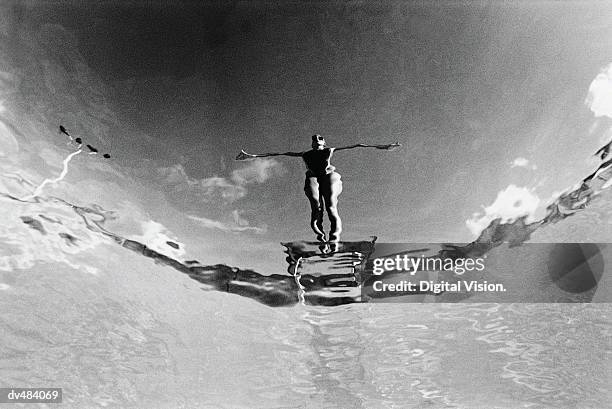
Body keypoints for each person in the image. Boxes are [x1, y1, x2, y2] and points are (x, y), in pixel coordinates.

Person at [236, 134, 400, 243]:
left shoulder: (329, 150)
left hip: (328, 176)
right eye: (314, 140)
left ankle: (334, 237)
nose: (316, 141)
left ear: (323, 142)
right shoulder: (305, 154)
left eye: (319, 140)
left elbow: (357, 145)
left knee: (330, 206)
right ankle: (321, 237)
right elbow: (279, 153)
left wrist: (384, 146)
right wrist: (252, 156)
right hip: (313, 177)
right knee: (316, 206)